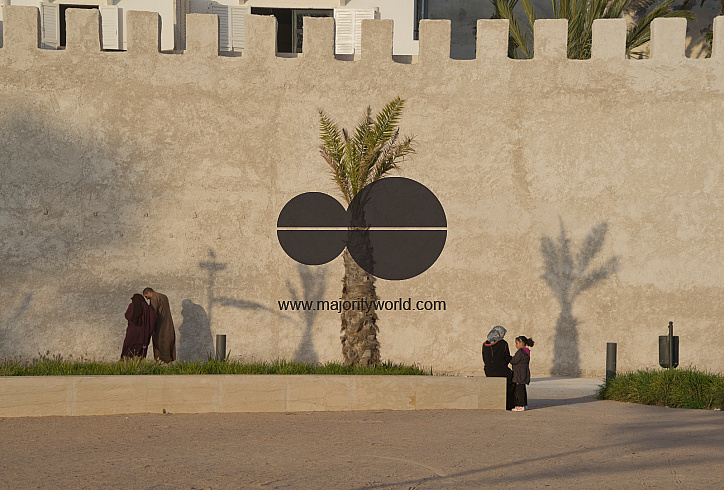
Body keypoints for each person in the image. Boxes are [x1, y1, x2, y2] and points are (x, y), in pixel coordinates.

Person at [482, 325, 515, 410]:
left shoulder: (484, 344)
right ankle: (510, 404)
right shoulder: (503, 343)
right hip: (501, 370)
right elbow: (507, 358)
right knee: (513, 379)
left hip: (488, 371)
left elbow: (485, 359)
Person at [143, 287, 177, 364]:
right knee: (167, 343)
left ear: (149, 293)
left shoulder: (154, 298)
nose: (147, 299)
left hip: (160, 326)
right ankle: (169, 364)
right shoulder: (164, 296)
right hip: (168, 324)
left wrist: (150, 326)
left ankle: (158, 365)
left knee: (160, 345)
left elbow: (153, 313)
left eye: (146, 296)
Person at [121, 293, 157, 359]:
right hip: (143, 334)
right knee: (140, 352)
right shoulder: (147, 308)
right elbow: (153, 317)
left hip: (132, 332)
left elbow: (127, 316)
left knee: (128, 351)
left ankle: (127, 363)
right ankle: (139, 364)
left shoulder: (132, 305)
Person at [511, 335, 535, 411]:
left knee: (519, 390)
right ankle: (524, 404)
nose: (516, 345)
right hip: (524, 373)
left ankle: (520, 405)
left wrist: (509, 358)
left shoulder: (520, 352)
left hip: (519, 373)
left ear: (521, 343)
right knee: (522, 389)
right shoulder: (526, 352)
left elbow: (514, 361)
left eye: (517, 343)